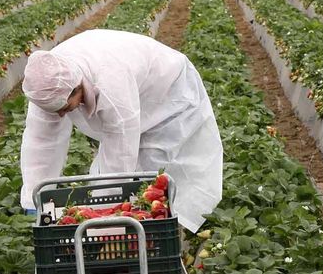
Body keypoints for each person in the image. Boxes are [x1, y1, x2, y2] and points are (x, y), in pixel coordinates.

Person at [19, 30, 222, 232]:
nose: (62, 114)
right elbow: (40, 143)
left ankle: (171, 230)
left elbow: (120, 153)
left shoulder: (110, 83)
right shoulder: (45, 85)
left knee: (155, 174)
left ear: (76, 88)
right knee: (120, 184)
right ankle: (132, 230)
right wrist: (33, 199)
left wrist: (106, 210)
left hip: (168, 95)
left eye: (65, 108)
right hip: (131, 88)